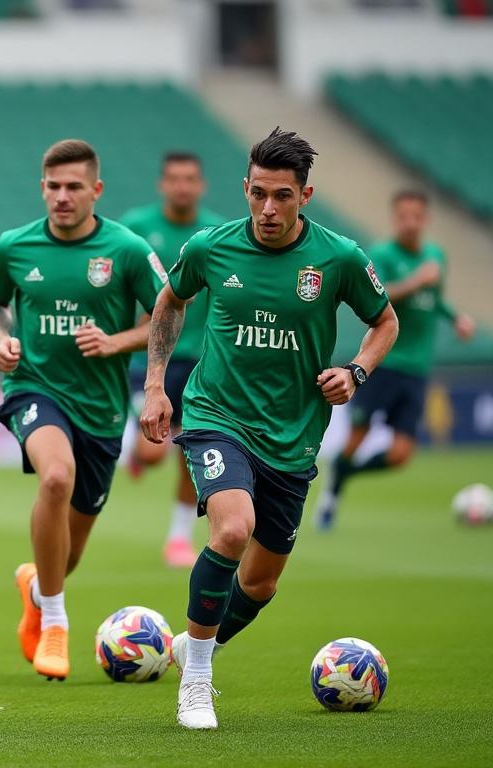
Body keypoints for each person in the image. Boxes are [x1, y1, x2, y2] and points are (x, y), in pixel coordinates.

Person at [140, 127, 397, 730]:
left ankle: (190, 645)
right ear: (245, 188)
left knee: (260, 584)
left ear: (305, 195)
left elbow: (385, 322)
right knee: (232, 530)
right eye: (257, 194)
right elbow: (169, 301)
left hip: (294, 434)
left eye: (282, 196)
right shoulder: (210, 247)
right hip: (216, 415)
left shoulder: (339, 258)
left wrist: (355, 371)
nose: (267, 209)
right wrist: (155, 384)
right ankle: (197, 682)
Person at [0, 139, 166, 682]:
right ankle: (56, 622)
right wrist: (2, 337)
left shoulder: (127, 249)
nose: (61, 197)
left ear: (96, 190)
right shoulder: (14, 246)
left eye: (73, 187)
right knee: (56, 477)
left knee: (69, 553)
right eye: (53, 187)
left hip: (103, 410)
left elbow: (167, 314)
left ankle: (38, 590)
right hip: (34, 387)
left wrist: (117, 342)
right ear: (43, 187)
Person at [314, 189, 476, 530]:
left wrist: (455, 317)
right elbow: (380, 298)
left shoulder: (435, 256)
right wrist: (417, 280)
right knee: (358, 435)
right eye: (403, 216)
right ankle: (331, 496)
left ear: (426, 219)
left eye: (416, 216)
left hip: (417, 368)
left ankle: (343, 473)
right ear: (394, 218)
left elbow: (434, 299)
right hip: (384, 362)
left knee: (401, 455)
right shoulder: (383, 255)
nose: (410, 223)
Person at [119, 152, 224, 567]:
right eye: (175, 179)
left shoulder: (216, 233)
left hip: (201, 360)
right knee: (153, 452)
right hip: (150, 359)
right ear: (163, 184)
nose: (183, 186)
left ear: (202, 185)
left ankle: (178, 538)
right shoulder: (138, 228)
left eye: (190, 179)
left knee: (189, 453)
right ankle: (135, 453)